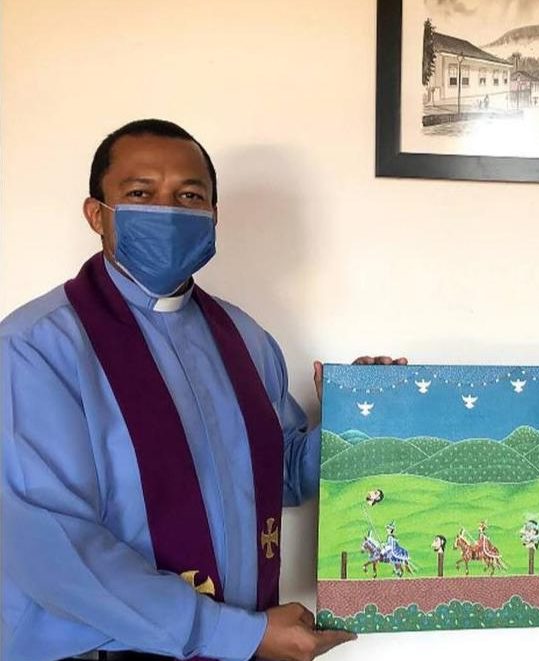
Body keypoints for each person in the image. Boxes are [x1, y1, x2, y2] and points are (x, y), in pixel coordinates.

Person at [1, 118, 406, 661]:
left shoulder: (244, 338)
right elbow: (52, 547)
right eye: (140, 193)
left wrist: (360, 417)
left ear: (213, 216)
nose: (167, 211)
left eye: (189, 196)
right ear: (97, 213)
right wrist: (240, 636)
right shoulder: (35, 349)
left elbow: (281, 474)